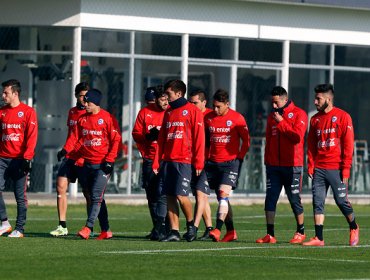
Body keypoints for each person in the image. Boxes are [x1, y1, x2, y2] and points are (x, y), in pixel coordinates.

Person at [303, 83, 359, 246]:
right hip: (319, 168)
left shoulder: (343, 117)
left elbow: (349, 145)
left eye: (318, 98)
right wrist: (311, 165)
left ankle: (354, 226)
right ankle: (319, 237)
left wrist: (346, 169)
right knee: (317, 201)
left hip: (337, 169)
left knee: (341, 201)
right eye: (315, 98)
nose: (315, 102)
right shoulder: (314, 120)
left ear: (328, 98)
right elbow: (311, 145)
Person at [60, 88, 121, 240]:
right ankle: (106, 230)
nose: (85, 103)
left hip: (102, 165)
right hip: (87, 164)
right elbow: (75, 138)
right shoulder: (82, 119)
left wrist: (110, 160)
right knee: (97, 197)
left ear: (96, 103)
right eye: (84, 100)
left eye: (88, 101)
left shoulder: (107, 118)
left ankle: (88, 227)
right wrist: (65, 150)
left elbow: (116, 140)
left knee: (95, 196)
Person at [153, 79, 205, 242]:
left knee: (182, 196)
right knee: (169, 196)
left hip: (184, 160)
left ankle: (191, 226)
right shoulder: (168, 112)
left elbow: (199, 138)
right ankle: (174, 231)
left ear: (179, 93)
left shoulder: (192, 111)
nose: (166, 97)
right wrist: (156, 161)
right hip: (168, 161)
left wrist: (199, 161)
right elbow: (161, 139)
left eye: (169, 93)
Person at [256, 86, 308, 244]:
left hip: (292, 166)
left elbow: (297, 137)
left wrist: (282, 122)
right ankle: (270, 235)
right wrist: (267, 161)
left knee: (294, 198)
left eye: (276, 102)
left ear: (285, 100)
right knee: (270, 199)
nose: (273, 106)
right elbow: (269, 140)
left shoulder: (299, 114)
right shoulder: (272, 116)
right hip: (273, 166)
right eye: (272, 102)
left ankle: (301, 231)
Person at [205, 89, 250, 242]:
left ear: (227, 104)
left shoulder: (237, 118)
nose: (215, 109)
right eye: (214, 106)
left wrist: (239, 159)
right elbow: (205, 141)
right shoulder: (208, 118)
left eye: (219, 106)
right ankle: (231, 231)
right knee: (219, 198)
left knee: (223, 195)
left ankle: (217, 229)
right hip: (212, 163)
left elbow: (246, 141)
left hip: (230, 163)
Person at [50, 82, 89, 237]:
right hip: (69, 155)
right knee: (60, 186)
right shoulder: (72, 112)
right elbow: (71, 134)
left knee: (88, 192)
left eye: (87, 96)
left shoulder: (90, 113)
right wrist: (65, 150)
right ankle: (62, 225)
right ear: (76, 96)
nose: (85, 99)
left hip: (84, 157)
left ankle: (89, 226)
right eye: (81, 96)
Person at [0, 79, 38, 238]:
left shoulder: (28, 112)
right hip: (2, 158)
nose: (3, 95)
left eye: (6, 93)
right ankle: (4, 222)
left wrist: (27, 158)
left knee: (19, 196)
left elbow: (32, 137)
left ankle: (19, 229)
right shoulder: (1, 111)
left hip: (19, 160)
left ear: (15, 94)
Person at [132, 86, 169, 240]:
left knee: (164, 195)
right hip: (149, 159)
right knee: (151, 195)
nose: (164, 102)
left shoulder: (171, 112)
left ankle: (167, 228)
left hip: (166, 159)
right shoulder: (145, 113)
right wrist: (147, 137)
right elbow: (136, 133)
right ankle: (157, 227)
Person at [187, 90, 213, 240]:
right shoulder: (189, 115)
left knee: (200, 194)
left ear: (204, 103)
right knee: (201, 196)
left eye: (195, 103)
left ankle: (194, 228)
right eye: (190, 102)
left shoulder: (209, 116)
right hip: (192, 159)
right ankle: (209, 228)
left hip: (206, 161)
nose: (192, 105)